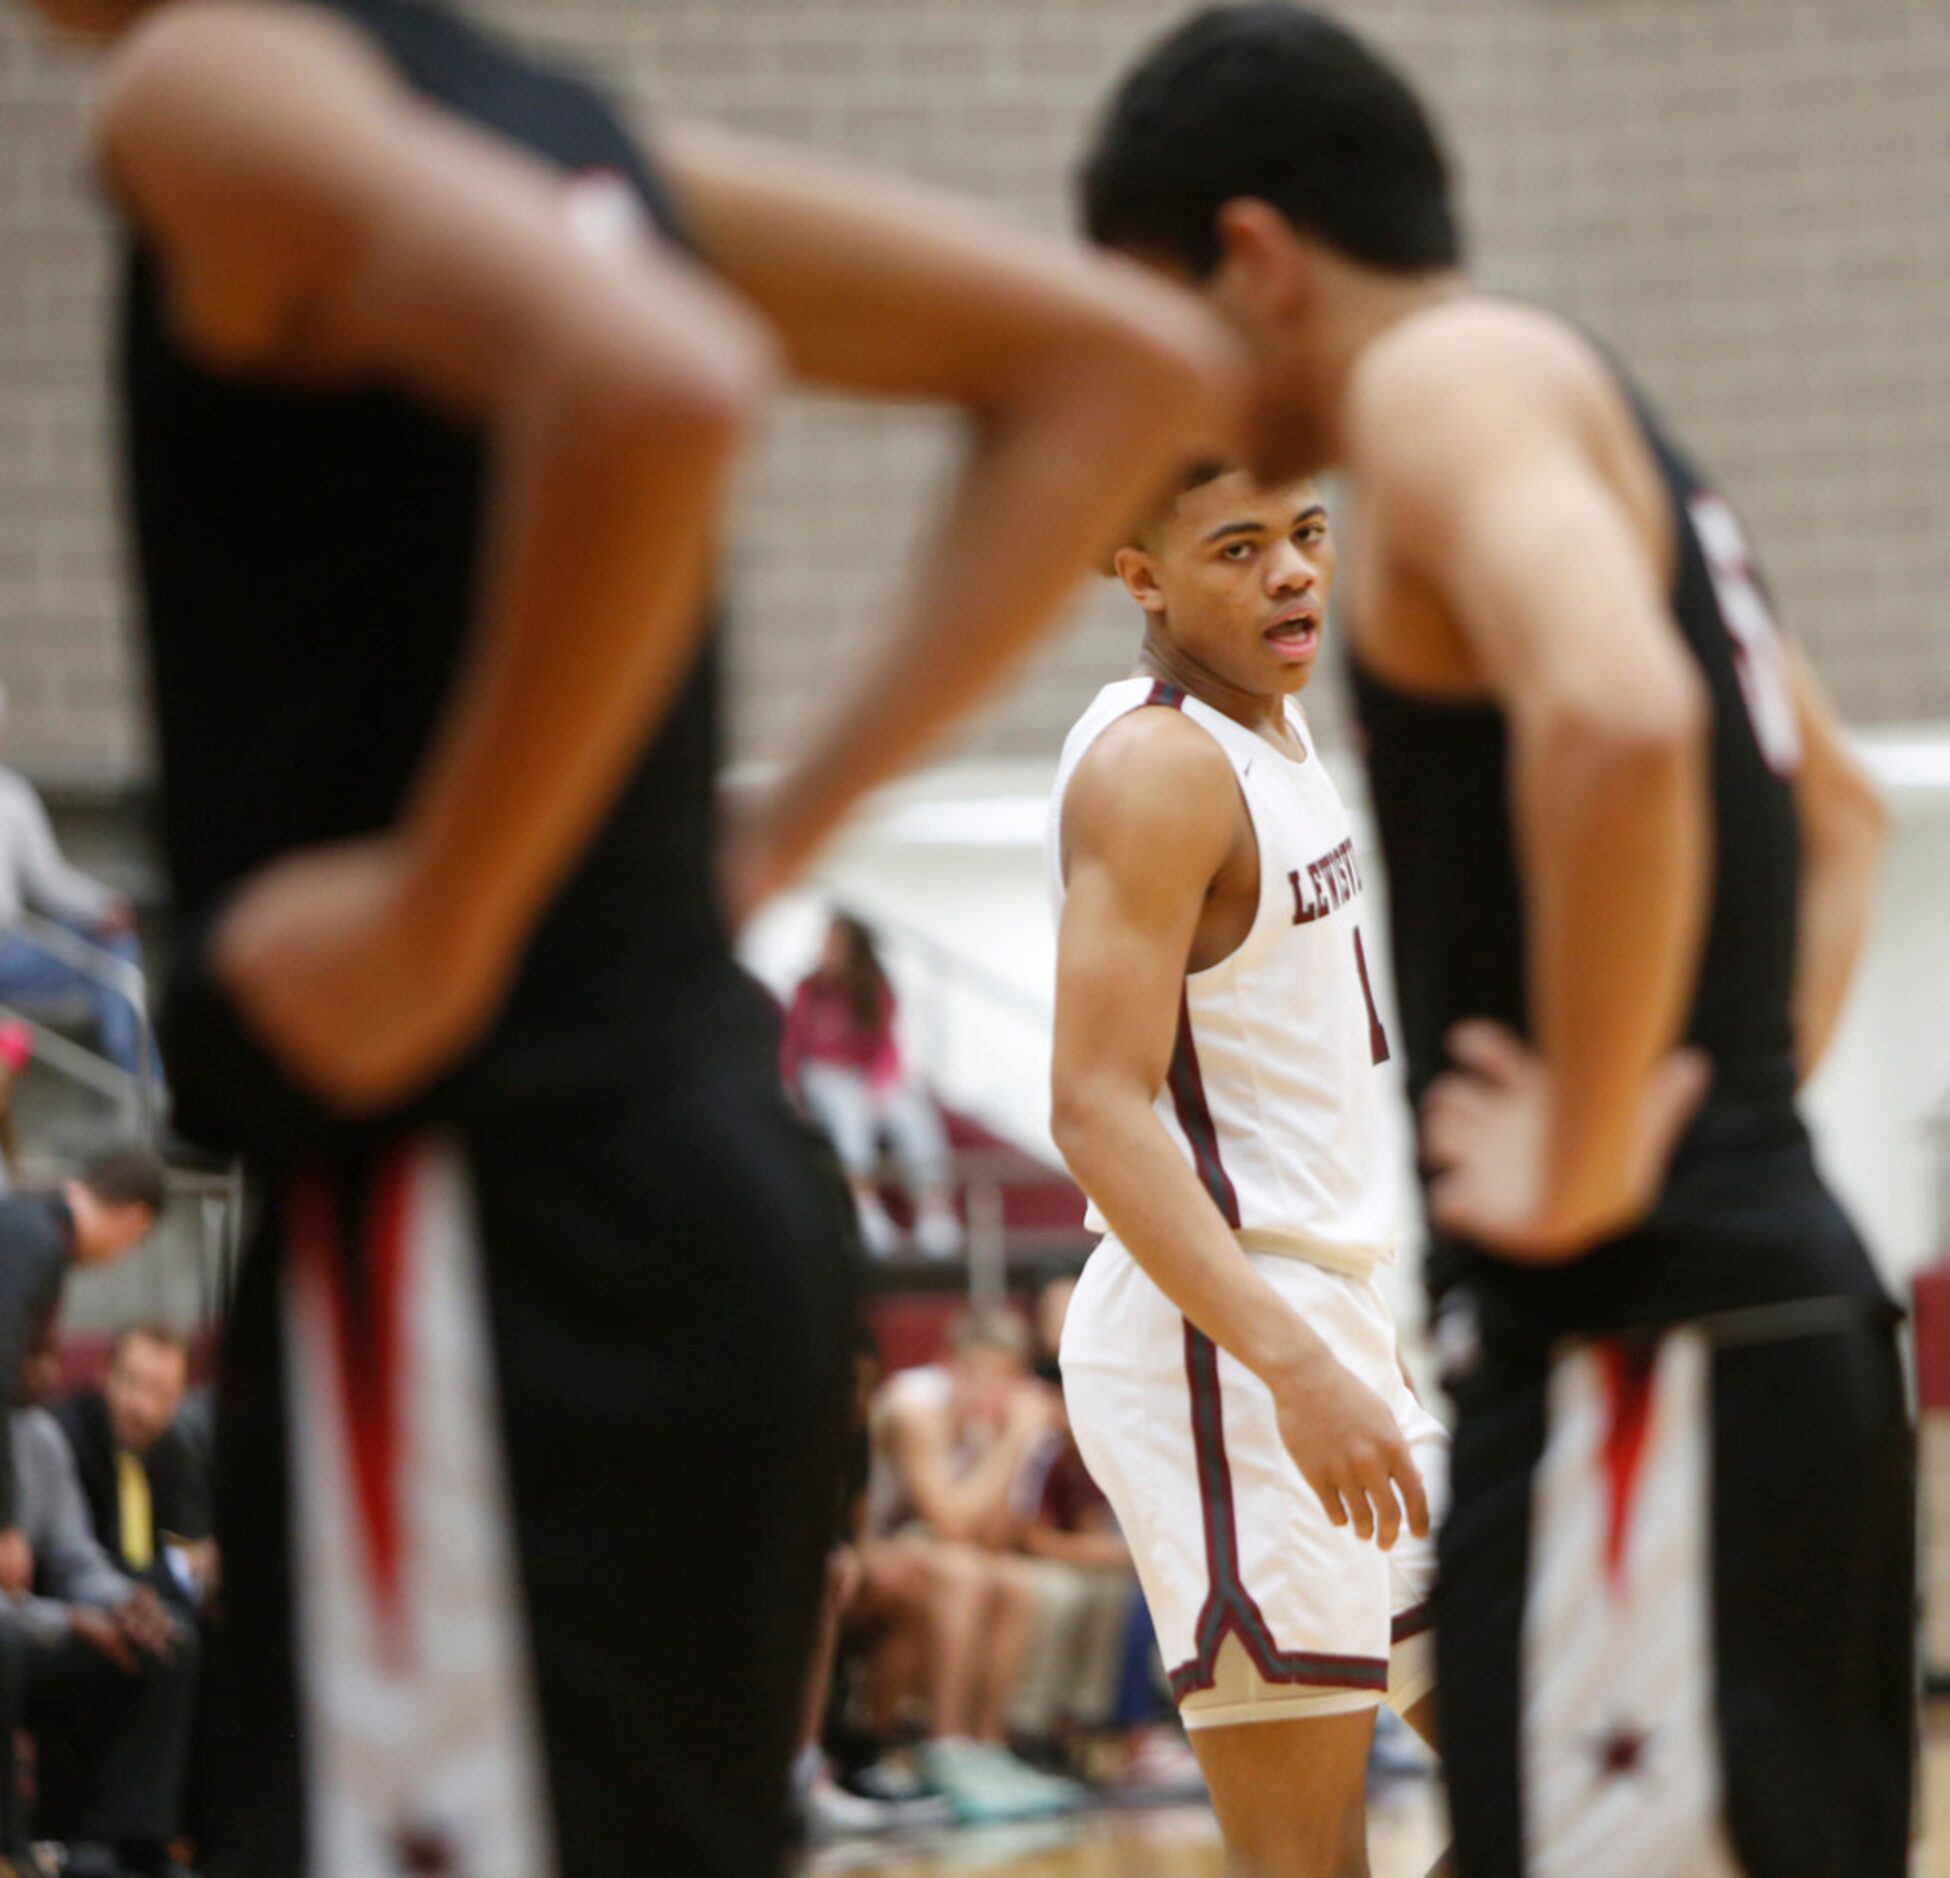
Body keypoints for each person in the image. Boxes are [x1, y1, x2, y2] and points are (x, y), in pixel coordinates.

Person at [10, 1, 1238, 1870]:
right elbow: (1122, 366)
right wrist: (772, 832)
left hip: (477, 1216)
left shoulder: (210, 75)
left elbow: (658, 383)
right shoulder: (542, 125)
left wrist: (447, 902)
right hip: (694, 1186)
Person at [1080, 8, 1911, 1874]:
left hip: (1644, 1331)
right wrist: (1729, 1134)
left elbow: (1618, 721)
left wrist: (1611, 1147)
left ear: (1257, 260)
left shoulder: (1444, 392)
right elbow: (1840, 824)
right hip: (1760, 1307)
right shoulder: (1578, 397)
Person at [1048, 464, 1443, 1875]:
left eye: (1308, 533)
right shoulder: (1157, 768)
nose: (1290, 572)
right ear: (1139, 574)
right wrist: (1289, 1360)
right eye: (1237, 547)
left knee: (1583, 1748)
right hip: (1226, 1346)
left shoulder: (1269, 726)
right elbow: (1094, 1109)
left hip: (1325, 1324)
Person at [858, 1309, 1079, 1822]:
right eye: (979, 1374)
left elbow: (998, 1538)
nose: (991, 1392)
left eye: (1005, 1379)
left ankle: (986, 1749)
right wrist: (1012, 1440)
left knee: (1015, 1585)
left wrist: (1017, 1445)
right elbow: (951, 1523)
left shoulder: (989, 1426)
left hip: (920, 1549)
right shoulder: (914, 1406)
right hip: (865, 1547)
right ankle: (946, 1746)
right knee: (964, 1574)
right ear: (947, 1366)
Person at [0, 1331, 198, 1877]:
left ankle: (125, 1844)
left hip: (42, 1627)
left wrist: (126, 1604)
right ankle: (10, 1851)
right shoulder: (67, 1427)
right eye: (33, 1347)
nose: (48, 1365)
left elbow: (75, 1557)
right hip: (19, 1632)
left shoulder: (38, 1434)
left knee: (168, 1640)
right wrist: (69, 1618)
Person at [0, 1153, 167, 1616]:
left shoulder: (29, 1221)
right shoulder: (37, 1240)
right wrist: (5, 1524)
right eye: (134, 1244)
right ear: (135, 1221)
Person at [783, 915, 962, 1259]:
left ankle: (935, 1213)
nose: (827, 950)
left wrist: (878, 1088)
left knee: (914, 1115)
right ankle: (866, 1212)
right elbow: (793, 1045)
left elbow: (888, 1049)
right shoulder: (808, 988)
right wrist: (791, 1086)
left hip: (867, 1077)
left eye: (835, 942)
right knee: (849, 1119)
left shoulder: (875, 987)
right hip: (824, 1076)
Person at [0, 687, 151, 1081]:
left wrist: (103, 906)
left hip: (12, 950)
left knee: (115, 946)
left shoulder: (12, 794)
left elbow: (48, 879)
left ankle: (141, 1089)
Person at [54, 1327, 214, 1612]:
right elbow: (77, 1572)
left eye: (160, 1393)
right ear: (104, 1375)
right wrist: (183, 1567)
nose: (141, 1406)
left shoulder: (173, 1453)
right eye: (132, 1383)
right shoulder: (66, 1438)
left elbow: (189, 1539)